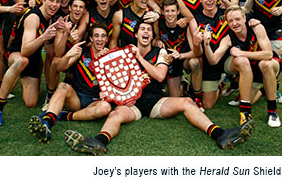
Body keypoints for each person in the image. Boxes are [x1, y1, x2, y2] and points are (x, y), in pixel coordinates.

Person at [64, 19, 253, 154]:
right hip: (131, 103)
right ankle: (98, 142)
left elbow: (160, 75)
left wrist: (138, 57)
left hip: (154, 100)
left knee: (187, 102)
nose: (145, 32)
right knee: (115, 115)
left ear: (152, 36)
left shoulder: (160, 51)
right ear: (136, 34)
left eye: (149, 30)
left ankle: (219, 134)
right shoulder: (124, 52)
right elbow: (114, 78)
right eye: (142, 30)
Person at [0, 0, 63, 125]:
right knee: (21, 61)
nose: (54, 5)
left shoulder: (51, 18)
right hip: (16, 53)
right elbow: (25, 50)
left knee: (31, 103)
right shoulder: (34, 17)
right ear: (43, 0)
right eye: (51, 0)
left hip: (33, 58)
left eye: (57, 2)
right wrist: (44, 37)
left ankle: (26, 82)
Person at [28, 23, 112, 144]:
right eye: (96, 36)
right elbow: (61, 68)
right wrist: (69, 54)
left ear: (107, 39)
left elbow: (116, 84)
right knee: (63, 86)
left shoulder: (111, 57)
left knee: (105, 108)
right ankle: (47, 124)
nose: (100, 39)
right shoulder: (81, 51)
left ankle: (63, 116)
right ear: (91, 38)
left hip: (94, 101)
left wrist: (107, 93)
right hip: (76, 98)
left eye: (103, 36)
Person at [203, 6, 281, 129]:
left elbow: (268, 54)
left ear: (244, 18)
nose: (235, 23)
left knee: (264, 64)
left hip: (269, 64)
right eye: (231, 21)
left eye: (238, 19)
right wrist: (206, 44)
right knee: (246, 99)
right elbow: (213, 60)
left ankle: (272, 111)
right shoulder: (228, 38)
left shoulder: (256, 28)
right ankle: (265, 89)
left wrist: (242, 53)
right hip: (252, 70)